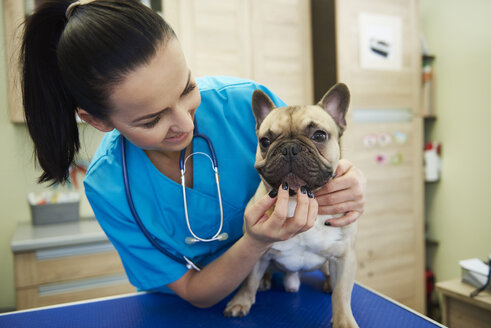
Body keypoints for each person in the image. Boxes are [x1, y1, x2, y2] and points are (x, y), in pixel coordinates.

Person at [21, 0, 366, 308]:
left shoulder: (243, 102)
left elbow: (315, 151)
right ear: (97, 120)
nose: (185, 121)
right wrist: (253, 243)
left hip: (277, 294)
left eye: (187, 88)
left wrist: (349, 183)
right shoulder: (109, 187)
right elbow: (191, 289)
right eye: (152, 119)